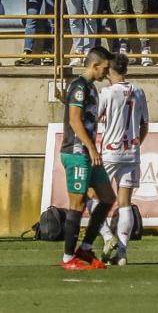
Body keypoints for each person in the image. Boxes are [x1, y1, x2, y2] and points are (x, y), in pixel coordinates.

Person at [59, 47, 115, 270]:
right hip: (76, 152)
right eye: (105, 68)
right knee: (78, 203)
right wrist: (91, 147)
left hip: (88, 152)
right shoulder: (79, 86)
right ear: (95, 65)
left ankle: (85, 247)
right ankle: (67, 258)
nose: (107, 72)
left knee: (107, 198)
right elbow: (74, 120)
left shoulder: (90, 87)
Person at [91, 53, 148, 264]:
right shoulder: (139, 91)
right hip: (131, 153)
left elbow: (93, 119)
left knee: (92, 196)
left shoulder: (107, 93)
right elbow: (144, 125)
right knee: (125, 203)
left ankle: (108, 237)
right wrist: (135, 144)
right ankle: (122, 254)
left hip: (110, 153)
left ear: (110, 71)